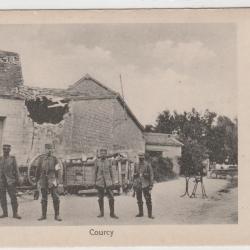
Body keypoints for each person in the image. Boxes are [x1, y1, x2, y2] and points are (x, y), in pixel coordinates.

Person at [35, 143, 62, 221]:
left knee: (56, 197)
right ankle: (43, 215)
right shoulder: (41, 159)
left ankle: (57, 215)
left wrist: (58, 181)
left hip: (53, 179)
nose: (49, 150)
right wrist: (36, 181)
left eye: (50, 149)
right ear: (45, 149)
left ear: (52, 150)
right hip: (43, 179)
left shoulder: (54, 159)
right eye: (47, 149)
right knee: (43, 198)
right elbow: (37, 171)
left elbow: (58, 171)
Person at [94, 148, 118, 219]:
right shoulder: (97, 162)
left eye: (104, 153)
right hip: (100, 182)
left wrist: (113, 182)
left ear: (106, 154)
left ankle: (112, 213)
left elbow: (111, 173)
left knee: (111, 198)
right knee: (100, 198)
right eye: (101, 153)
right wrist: (94, 182)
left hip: (108, 182)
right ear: (100, 154)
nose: (103, 154)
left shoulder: (109, 162)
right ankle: (101, 213)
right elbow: (95, 173)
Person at [0, 144, 21, 219]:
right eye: (4, 149)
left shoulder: (12, 159)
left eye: (7, 149)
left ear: (9, 150)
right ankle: (5, 213)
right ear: (3, 150)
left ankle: (15, 214)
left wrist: (18, 180)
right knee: (2, 198)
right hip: (2, 181)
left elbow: (16, 170)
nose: (6, 150)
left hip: (10, 181)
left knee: (13, 197)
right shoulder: (0, 158)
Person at [133, 153, 154, 219]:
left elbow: (151, 175)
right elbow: (133, 175)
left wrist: (151, 185)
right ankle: (141, 213)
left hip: (146, 184)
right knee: (139, 199)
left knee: (148, 199)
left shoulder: (148, 165)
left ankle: (150, 215)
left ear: (144, 157)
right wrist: (135, 176)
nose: (140, 158)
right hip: (138, 184)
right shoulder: (136, 164)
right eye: (139, 156)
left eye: (142, 156)